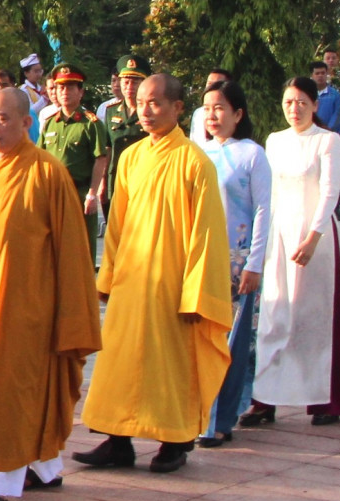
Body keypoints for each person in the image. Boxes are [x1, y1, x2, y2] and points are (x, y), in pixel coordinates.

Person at [0, 88, 102, 501]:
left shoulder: (48, 173)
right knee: (8, 390)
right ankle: (44, 466)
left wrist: (69, 314)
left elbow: (72, 251)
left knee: (9, 391)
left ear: (25, 122)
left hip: (29, 308)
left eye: (2, 119)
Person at [75, 74, 232, 476]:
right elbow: (117, 225)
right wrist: (107, 278)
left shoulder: (195, 162)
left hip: (174, 284)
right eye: (141, 103)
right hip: (131, 278)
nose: (145, 111)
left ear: (178, 108)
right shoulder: (130, 157)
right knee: (122, 362)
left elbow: (207, 234)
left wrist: (198, 294)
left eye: (156, 103)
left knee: (170, 365)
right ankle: (118, 439)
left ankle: (174, 441)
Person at [247, 78, 340, 429]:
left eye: (302, 102)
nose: (295, 109)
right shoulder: (274, 141)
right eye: (289, 102)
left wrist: (313, 237)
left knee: (312, 318)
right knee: (274, 317)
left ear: (315, 106)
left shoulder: (327, 141)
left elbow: (328, 193)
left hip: (314, 240)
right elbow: (267, 193)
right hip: (279, 233)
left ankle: (324, 399)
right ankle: (265, 399)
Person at [195, 81, 278, 445]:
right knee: (202, 341)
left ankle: (222, 418)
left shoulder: (251, 155)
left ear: (238, 114)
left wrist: (254, 264)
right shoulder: (197, 153)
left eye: (220, 108)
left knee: (233, 341)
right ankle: (202, 416)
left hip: (237, 261)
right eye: (207, 108)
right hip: (202, 260)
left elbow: (263, 210)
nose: (212, 115)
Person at [38, 61, 111, 262]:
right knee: (53, 249)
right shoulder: (51, 122)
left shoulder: (91, 123)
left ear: (80, 92)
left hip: (79, 192)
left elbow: (100, 159)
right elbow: (40, 157)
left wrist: (92, 194)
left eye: (70, 87)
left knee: (82, 250)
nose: (65, 92)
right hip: (52, 192)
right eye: (61, 87)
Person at [99, 55, 149, 210]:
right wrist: (103, 183)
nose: (129, 86)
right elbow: (107, 149)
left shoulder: (149, 112)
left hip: (141, 178)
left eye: (135, 82)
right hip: (115, 179)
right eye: (125, 81)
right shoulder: (111, 111)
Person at [188, 69, 233, 143]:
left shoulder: (231, 111)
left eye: (217, 84)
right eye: (209, 84)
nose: (212, 88)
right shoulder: (198, 113)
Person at [310, 60, 340, 134]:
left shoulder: (335, 95)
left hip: (331, 134)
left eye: (323, 73)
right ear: (312, 75)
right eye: (317, 73)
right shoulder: (308, 95)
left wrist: (328, 129)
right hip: (311, 133)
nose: (320, 76)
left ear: (327, 74)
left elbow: (338, 114)